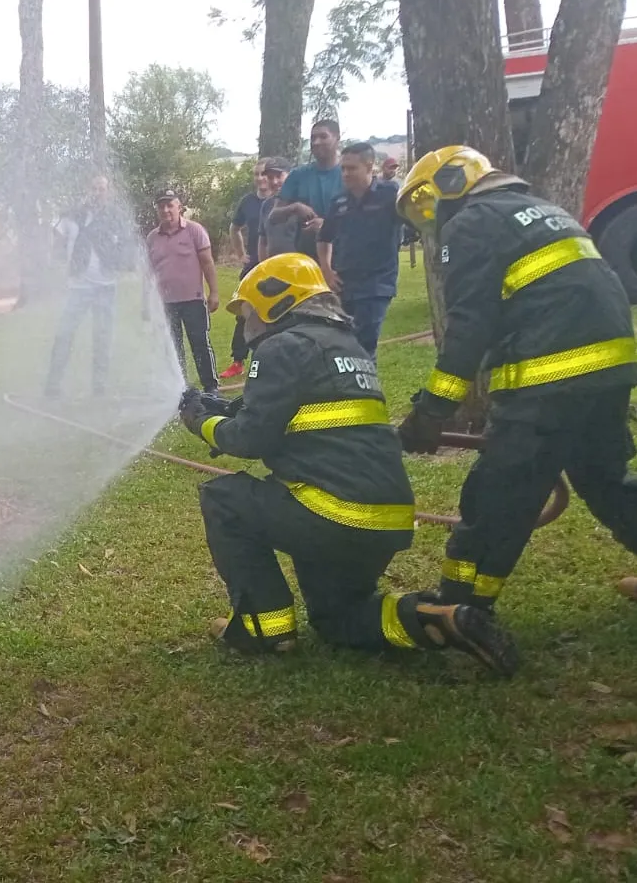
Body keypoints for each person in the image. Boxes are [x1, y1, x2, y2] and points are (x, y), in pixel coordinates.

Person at [179, 253, 519, 675]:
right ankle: (436, 618)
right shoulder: (347, 346)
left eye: (248, 311)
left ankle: (265, 630)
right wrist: (227, 407)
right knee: (339, 619)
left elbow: (251, 437)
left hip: (330, 514)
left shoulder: (282, 345)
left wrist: (200, 421)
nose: (246, 323)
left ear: (275, 302)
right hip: (381, 521)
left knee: (224, 498)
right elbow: (289, 412)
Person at [396, 146, 637, 610]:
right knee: (605, 480)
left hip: (549, 378)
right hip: (611, 368)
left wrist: (431, 412)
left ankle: (459, 606)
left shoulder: (471, 222)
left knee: (500, 495)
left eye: (425, 207)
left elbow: (467, 328)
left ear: (449, 184)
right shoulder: (544, 211)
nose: (430, 220)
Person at [44, 175, 135, 398]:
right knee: (64, 334)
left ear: (108, 192)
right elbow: (55, 238)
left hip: (107, 287)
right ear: (88, 190)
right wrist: (56, 262)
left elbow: (126, 244)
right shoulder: (73, 215)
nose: (97, 192)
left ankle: (99, 387)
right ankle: (53, 385)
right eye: (94, 188)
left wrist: (122, 264)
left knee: (102, 338)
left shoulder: (114, 216)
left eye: (101, 189)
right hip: (78, 287)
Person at [317, 141, 403, 355]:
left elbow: (416, 219)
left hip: (377, 283)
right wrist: (326, 271)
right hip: (343, 283)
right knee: (342, 342)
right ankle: (351, 387)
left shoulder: (390, 194)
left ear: (369, 166)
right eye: (343, 168)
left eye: (352, 168)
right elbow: (324, 237)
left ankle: (366, 388)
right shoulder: (339, 201)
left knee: (364, 343)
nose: (345, 174)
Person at [145, 189, 219, 393]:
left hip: (193, 300)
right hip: (165, 303)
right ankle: (180, 388)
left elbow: (207, 263)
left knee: (200, 344)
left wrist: (213, 293)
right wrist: (147, 303)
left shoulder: (195, 230)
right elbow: (149, 274)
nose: (166, 210)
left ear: (179, 207)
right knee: (172, 348)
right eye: (162, 206)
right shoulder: (152, 238)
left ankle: (210, 387)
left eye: (170, 205)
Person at [219, 160, 272, 380]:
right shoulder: (248, 202)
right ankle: (238, 361)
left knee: (274, 312)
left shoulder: (281, 199)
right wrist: (241, 254)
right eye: (256, 174)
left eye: (263, 174)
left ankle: (270, 358)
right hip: (252, 266)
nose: (260, 178)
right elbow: (235, 228)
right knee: (243, 312)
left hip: (277, 264)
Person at [264, 120, 344, 258]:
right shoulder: (298, 175)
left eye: (323, 137)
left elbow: (362, 221)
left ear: (337, 138)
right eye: (313, 138)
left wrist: (327, 226)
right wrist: (295, 207)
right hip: (307, 260)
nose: (316, 142)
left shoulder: (348, 174)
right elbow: (273, 217)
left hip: (344, 256)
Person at [255, 157, 292, 262]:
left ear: (290, 175)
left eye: (279, 176)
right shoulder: (267, 205)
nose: (275, 181)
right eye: (270, 177)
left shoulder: (303, 201)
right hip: (274, 269)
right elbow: (262, 242)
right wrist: (264, 269)